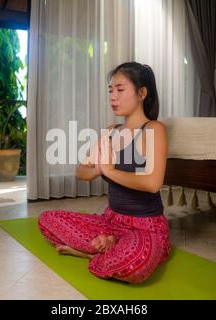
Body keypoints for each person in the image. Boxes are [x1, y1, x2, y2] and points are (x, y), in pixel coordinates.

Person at [38, 62, 171, 284]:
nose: (113, 97)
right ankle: (108, 244)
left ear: (142, 93)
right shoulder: (111, 131)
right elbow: (81, 170)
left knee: (133, 266)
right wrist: (98, 168)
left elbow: (152, 183)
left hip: (146, 227)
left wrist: (109, 169)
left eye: (120, 89)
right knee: (47, 219)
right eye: (111, 91)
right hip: (110, 222)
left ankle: (91, 253)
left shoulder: (154, 129)